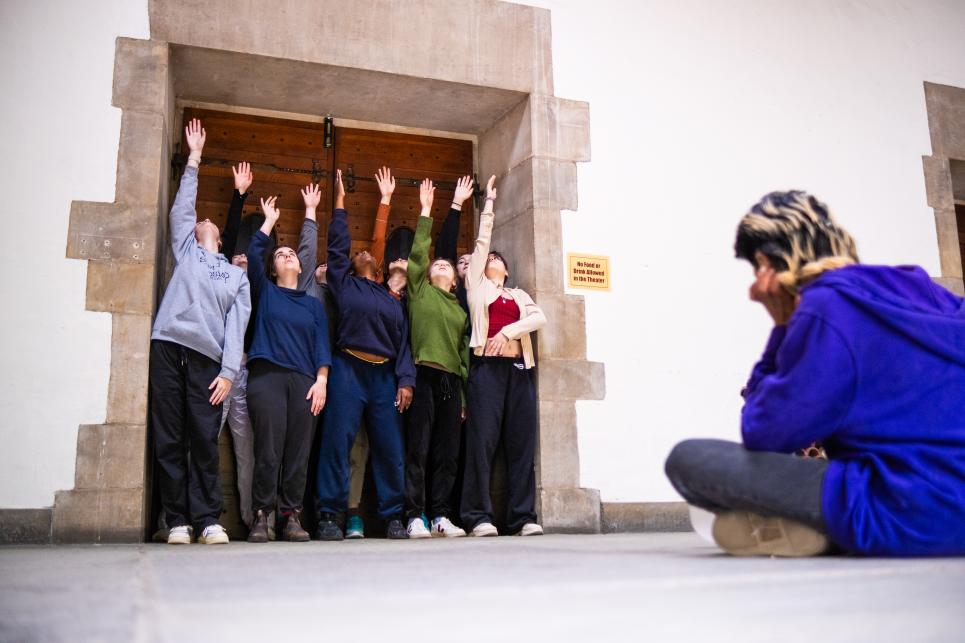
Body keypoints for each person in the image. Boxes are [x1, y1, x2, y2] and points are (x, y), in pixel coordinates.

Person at [664, 190, 965, 557]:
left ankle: (819, 530)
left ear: (768, 263)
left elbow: (766, 433)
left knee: (689, 460)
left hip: (902, 513)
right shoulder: (924, 288)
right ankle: (806, 527)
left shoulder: (825, 306)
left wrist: (782, 327)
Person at [149, 118, 251, 545]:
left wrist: (229, 372)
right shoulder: (187, 249)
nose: (202, 219)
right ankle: (176, 521)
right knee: (170, 434)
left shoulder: (234, 275)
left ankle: (209, 518)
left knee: (204, 438)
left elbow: (237, 324)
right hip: (170, 346)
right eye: (198, 220)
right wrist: (194, 158)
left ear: (220, 240)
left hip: (209, 361)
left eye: (210, 221)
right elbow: (182, 210)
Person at [315, 169, 416, 541]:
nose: (360, 253)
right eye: (355, 254)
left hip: (384, 375)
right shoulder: (344, 283)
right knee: (336, 441)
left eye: (365, 252)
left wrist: (405, 379)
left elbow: (404, 340)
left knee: (390, 447)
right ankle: (330, 515)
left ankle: (393, 516)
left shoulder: (390, 298)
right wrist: (339, 201)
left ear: (377, 266)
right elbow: (338, 245)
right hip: (347, 369)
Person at [460, 175, 547, 537]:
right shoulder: (477, 287)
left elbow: (538, 317)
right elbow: (482, 243)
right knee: (481, 443)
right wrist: (489, 204)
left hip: (518, 370)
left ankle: (522, 517)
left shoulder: (519, 294)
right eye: (489, 258)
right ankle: (478, 516)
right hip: (486, 371)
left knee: (521, 443)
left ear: (507, 270)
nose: (492, 258)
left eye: (498, 259)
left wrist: (507, 331)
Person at [245, 195, 332, 543]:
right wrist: (268, 222)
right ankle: (261, 516)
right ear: (274, 267)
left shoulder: (312, 305)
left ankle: (291, 516)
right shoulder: (264, 291)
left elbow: (322, 347)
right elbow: (253, 256)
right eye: (280, 254)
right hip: (267, 376)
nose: (286, 255)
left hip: (304, 381)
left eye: (291, 254)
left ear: (300, 267)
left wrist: (322, 381)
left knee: (298, 450)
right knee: (268, 449)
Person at [403, 179, 471, 538]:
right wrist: (426, 212)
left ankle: (442, 515)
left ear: (456, 281)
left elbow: (463, 357)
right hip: (422, 376)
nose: (442, 265)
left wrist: (462, 397)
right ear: (427, 276)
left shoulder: (460, 312)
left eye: (447, 266)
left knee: (448, 452)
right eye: (437, 265)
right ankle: (415, 514)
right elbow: (418, 255)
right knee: (418, 448)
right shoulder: (419, 294)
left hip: (450, 383)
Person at [433, 174, 475, 315]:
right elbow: (446, 244)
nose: (466, 263)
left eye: (471, 261)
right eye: (461, 261)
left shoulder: (486, 290)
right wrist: (458, 202)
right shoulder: (452, 290)